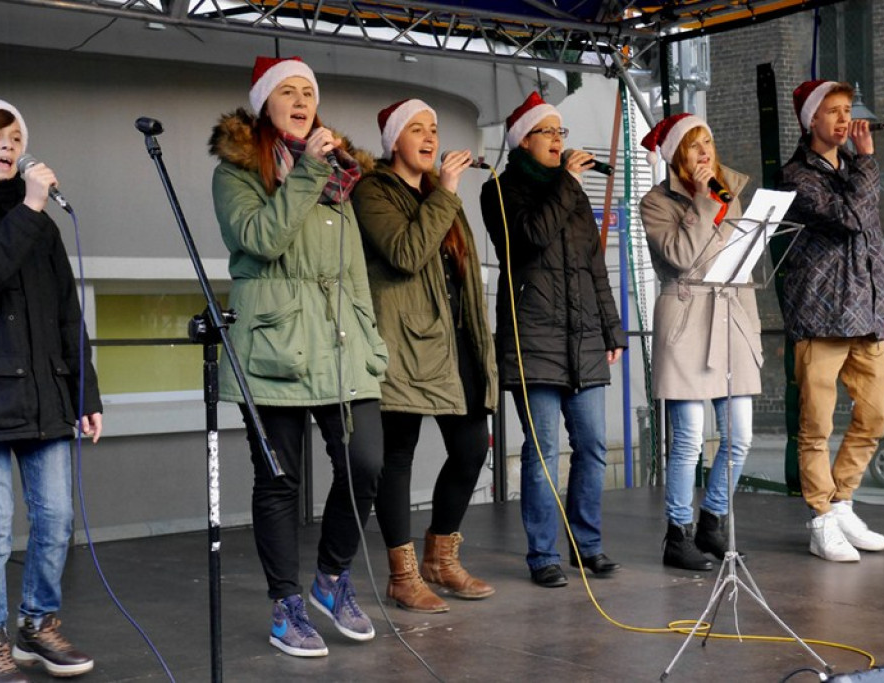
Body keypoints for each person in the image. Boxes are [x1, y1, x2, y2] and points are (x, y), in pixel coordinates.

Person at [209, 56, 389, 657]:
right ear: (264, 103)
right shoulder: (237, 171)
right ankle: (286, 605)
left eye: (308, 90)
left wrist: (370, 338)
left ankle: (331, 578)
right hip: (274, 346)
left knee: (365, 463)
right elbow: (259, 240)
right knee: (279, 481)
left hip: (341, 344)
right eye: (287, 90)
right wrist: (308, 171)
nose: (301, 98)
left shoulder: (338, 173)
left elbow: (353, 267)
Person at [0, 99, 102, 682]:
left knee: (57, 516)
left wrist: (87, 395)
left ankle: (37, 624)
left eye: (15, 137)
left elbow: (66, 313)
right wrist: (31, 205)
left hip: (46, 395)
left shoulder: (41, 224)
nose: (8, 146)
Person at [352, 99, 498, 613]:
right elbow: (406, 254)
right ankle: (403, 574)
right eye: (417, 128)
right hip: (403, 340)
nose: (430, 136)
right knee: (397, 457)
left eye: (433, 128)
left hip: (453, 340)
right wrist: (449, 195)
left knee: (472, 447)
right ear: (395, 141)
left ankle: (441, 556)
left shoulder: (438, 195)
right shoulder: (373, 191)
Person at [479, 92, 626, 588]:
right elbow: (531, 237)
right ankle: (542, 553)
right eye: (550, 132)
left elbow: (593, 266)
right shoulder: (500, 190)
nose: (560, 140)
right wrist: (566, 182)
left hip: (583, 338)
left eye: (562, 132)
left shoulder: (575, 193)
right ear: (525, 139)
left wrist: (612, 328)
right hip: (533, 339)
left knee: (593, 446)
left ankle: (587, 545)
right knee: (542, 451)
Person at [776, 80, 884, 562]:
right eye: (833, 112)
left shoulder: (854, 170)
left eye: (848, 111)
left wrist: (882, 307)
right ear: (811, 120)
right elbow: (846, 218)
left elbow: (873, 243)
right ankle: (821, 518)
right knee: (816, 426)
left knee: (876, 415)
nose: (845, 121)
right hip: (820, 316)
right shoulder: (795, 176)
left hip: (864, 316)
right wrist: (867, 162)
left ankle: (842, 499)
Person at [639, 114, 762, 571]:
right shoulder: (655, 202)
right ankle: (678, 533)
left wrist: (753, 334)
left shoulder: (732, 192)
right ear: (677, 157)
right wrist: (702, 202)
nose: (705, 151)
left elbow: (744, 261)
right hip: (687, 319)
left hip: (731, 317)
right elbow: (681, 257)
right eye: (693, 146)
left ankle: (712, 521)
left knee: (740, 436)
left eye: (707, 141)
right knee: (689, 439)